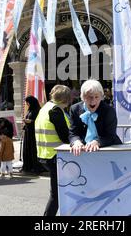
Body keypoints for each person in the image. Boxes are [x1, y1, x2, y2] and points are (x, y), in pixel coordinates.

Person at [35, 85, 71, 216]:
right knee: (57, 195)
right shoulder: (56, 111)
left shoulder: (44, 108)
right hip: (55, 156)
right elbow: (66, 137)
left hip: (45, 155)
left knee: (58, 193)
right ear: (66, 100)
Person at [70, 79, 122, 157]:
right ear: (83, 97)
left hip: (108, 151)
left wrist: (97, 142)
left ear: (101, 97)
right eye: (90, 97)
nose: (93, 101)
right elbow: (73, 133)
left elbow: (110, 136)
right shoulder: (74, 109)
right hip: (84, 153)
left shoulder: (109, 111)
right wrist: (76, 141)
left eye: (96, 97)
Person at [22, 96, 43, 174]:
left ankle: (35, 167)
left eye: (28, 102)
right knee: (27, 149)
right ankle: (28, 166)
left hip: (34, 133)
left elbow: (39, 121)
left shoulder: (37, 110)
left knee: (33, 150)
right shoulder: (30, 110)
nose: (27, 104)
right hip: (28, 132)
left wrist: (30, 121)